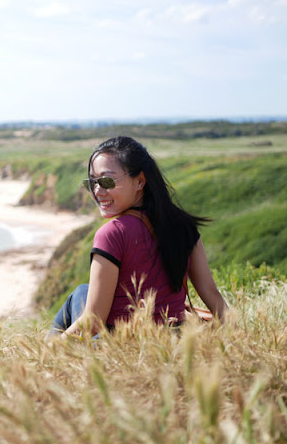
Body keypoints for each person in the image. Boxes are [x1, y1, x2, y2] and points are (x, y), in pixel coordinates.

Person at [51, 136, 227, 339]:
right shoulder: (184, 225)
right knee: (83, 291)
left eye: (107, 181)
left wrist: (47, 352)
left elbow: (93, 323)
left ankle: (42, 364)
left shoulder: (112, 233)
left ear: (140, 181)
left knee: (77, 296)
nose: (98, 190)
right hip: (175, 339)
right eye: (92, 182)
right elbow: (211, 294)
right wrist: (238, 338)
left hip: (122, 344)